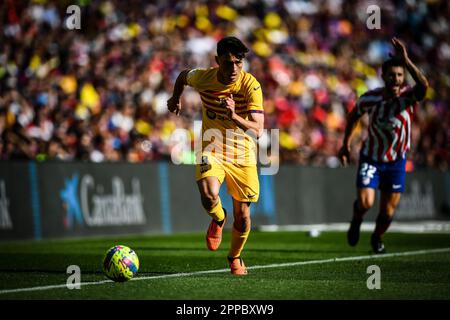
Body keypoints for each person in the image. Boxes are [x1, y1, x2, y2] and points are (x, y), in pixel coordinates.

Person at [167, 37, 264, 275]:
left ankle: (235, 256)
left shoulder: (251, 86)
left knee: (242, 216)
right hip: (212, 146)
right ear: (217, 61)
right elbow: (182, 76)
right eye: (228, 62)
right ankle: (219, 219)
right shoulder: (204, 78)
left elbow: (258, 129)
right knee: (209, 194)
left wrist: (234, 116)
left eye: (238, 62)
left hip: (242, 153)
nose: (234, 69)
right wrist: (175, 97)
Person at [338, 37, 429, 254]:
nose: (396, 79)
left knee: (387, 212)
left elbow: (424, 85)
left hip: (397, 161)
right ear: (383, 76)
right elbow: (353, 117)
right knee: (366, 203)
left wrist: (406, 60)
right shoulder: (370, 98)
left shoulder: (409, 97)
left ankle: (377, 237)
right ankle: (356, 218)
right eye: (392, 75)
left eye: (400, 75)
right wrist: (346, 145)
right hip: (371, 157)